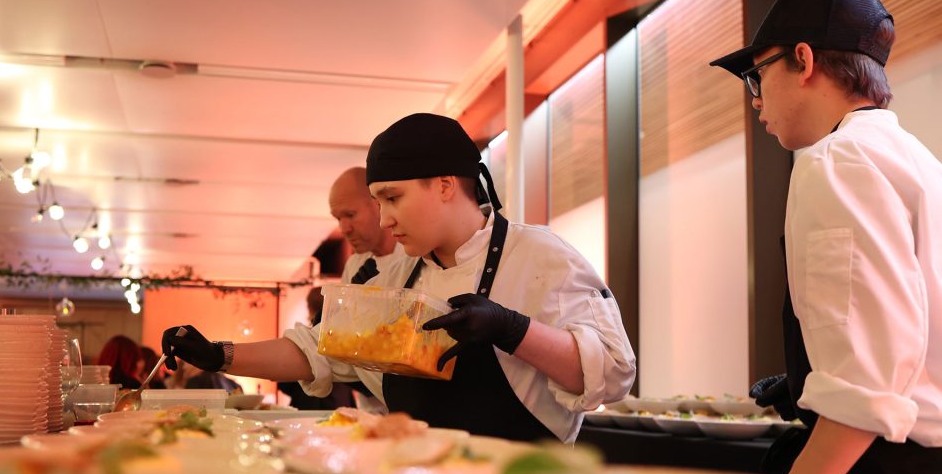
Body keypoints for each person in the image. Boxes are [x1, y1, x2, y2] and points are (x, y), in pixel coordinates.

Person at [163, 112, 635, 442]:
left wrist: (512, 330)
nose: (384, 219)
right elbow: (322, 350)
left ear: (446, 186)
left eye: (393, 198)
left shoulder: (540, 257)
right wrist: (218, 354)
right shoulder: (397, 274)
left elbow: (613, 375)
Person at [711, 0, 942, 474]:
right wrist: (808, 380)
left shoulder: (833, 162)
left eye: (757, 76)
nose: (755, 100)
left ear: (805, 60)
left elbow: (871, 373)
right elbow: (910, 340)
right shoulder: (916, 160)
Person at [276, 286, 356, 410]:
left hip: (306, 404)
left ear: (309, 308)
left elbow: (284, 384)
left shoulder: (301, 340)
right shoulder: (345, 338)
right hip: (340, 402)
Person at [329, 166, 407, 292]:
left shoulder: (415, 257)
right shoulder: (354, 266)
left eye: (350, 215)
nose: (344, 229)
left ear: (378, 204)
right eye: (338, 218)